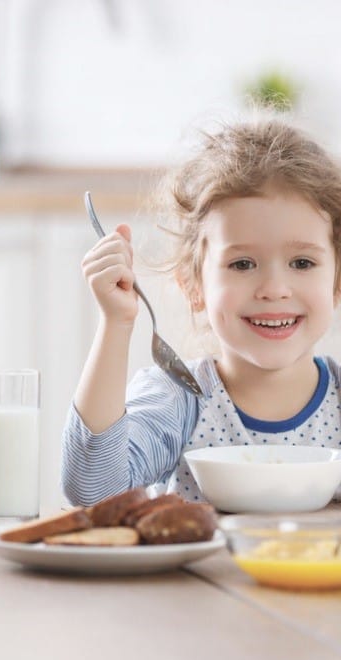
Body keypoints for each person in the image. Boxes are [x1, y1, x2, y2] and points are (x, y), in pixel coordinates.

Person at [62, 118, 341, 506]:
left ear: (337, 282)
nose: (275, 289)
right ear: (194, 287)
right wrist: (116, 323)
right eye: (242, 264)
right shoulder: (178, 399)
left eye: (302, 263)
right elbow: (94, 491)